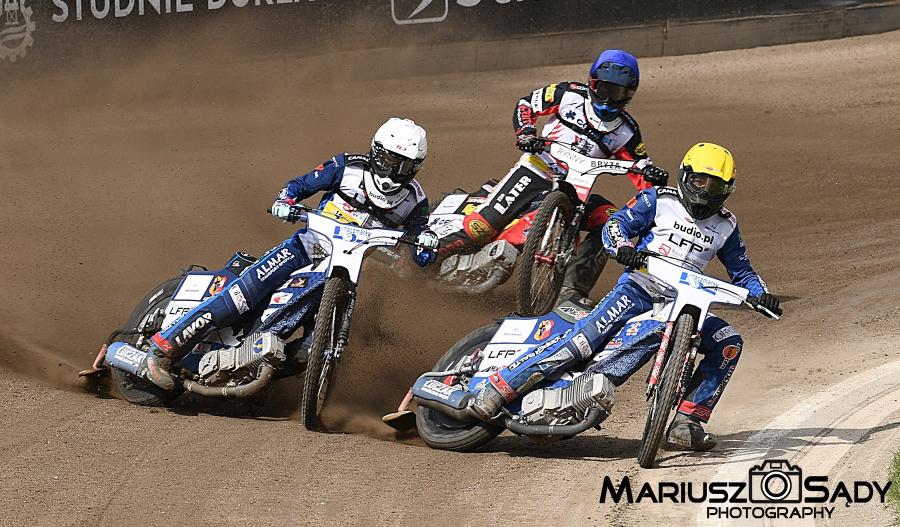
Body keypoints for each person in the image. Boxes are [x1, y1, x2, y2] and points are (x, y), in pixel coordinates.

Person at [466, 142, 782, 450]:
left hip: (687, 304)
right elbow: (616, 225)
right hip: (637, 290)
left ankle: (688, 422)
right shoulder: (658, 199)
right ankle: (500, 387)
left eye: (715, 186)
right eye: (700, 181)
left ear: (727, 189)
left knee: (729, 342)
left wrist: (762, 295)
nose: (705, 191)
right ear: (686, 176)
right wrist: (624, 248)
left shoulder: (727, 225)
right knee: (582, 342)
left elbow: (742, 271)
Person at [144, 117, 439, 390]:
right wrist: (285, 200)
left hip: (348, 270)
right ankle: (162, 350)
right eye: (389, 160)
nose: (393, 171)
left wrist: (426, 246)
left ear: (415, 168)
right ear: (376, 152)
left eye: (404, 166)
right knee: (242, 297)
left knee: (317, 345)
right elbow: (300, 185)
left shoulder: (415, 199)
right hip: (305, 246)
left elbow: (421, 243)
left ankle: (260, 369)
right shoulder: (346, 166)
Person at [437, 49, 669, 305]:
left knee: (609, 220)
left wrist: (654, 178)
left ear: (629, 94)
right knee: (480, 228)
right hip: (537, 169)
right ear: (592, 83)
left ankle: (571, 292)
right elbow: (526, 104)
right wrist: (526, 133)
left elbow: (641, 168)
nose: (607, 100)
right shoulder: (568, 94)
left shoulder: (627, 131)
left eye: (616, 93)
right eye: (603, 89)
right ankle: (427, 257)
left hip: (578, 192)